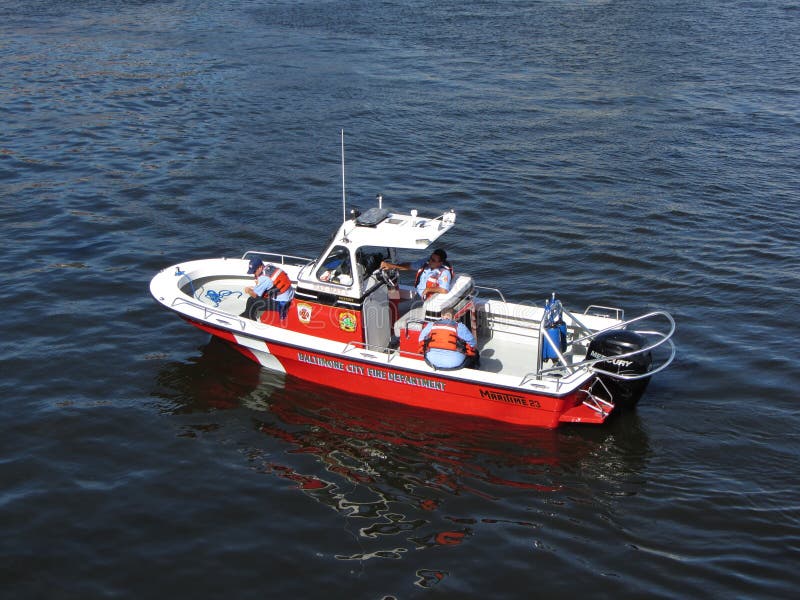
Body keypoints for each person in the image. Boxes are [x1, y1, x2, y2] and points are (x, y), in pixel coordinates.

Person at [381, 248, 453, 300]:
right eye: (430, 258)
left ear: (440, 263)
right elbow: (410, 266)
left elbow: (444, 290)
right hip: (419, 295)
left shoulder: (444, 273)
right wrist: (391, 266)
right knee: (394, 295)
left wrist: (428, 289)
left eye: (433, 260)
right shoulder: (426, 262)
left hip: (428, 299)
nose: (430, 261)